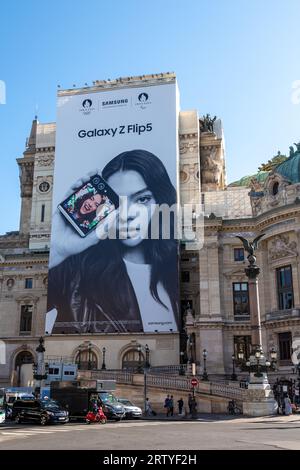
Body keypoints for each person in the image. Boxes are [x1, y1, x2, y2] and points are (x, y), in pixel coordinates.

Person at [48, 150, 179, 334]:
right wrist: (58, 248)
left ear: (162, 201)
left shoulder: (178, 266)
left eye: (142, 199)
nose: (127, 214)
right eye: (116, 202)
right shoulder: (74, 270)